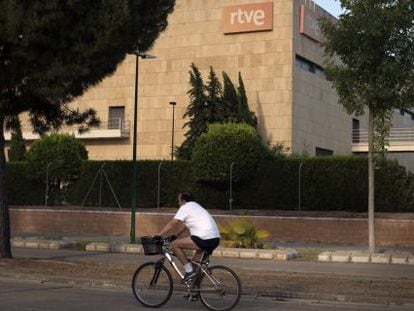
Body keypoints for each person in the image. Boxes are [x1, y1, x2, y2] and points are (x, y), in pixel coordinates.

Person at [158, 192, 220, 282]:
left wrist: (158, 234)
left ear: (183, 200)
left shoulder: (185, 207)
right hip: (215, 239)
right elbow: (185, 225)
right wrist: (175, 235)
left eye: (178, 200)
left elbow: (173, 222)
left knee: (174, 245)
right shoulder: (196, 207)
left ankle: (188, 271)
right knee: (195, 266)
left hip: (204, 238)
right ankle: (194, 293)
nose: (178, 203)